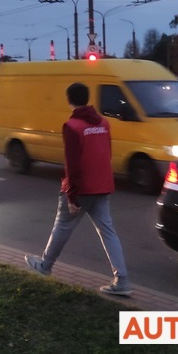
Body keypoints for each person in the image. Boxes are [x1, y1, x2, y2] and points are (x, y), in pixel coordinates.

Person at [24, 82, 132, 296]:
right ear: (87, 97)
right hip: (102, 186)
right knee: (108, 232)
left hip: (81, 188)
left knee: (62, 226)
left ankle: (45, 265)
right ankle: (122, 279)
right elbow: (107, 153)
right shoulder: (104, 123)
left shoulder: (72, 126)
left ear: (69, 100)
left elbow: (72, 164)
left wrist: (72, 196)